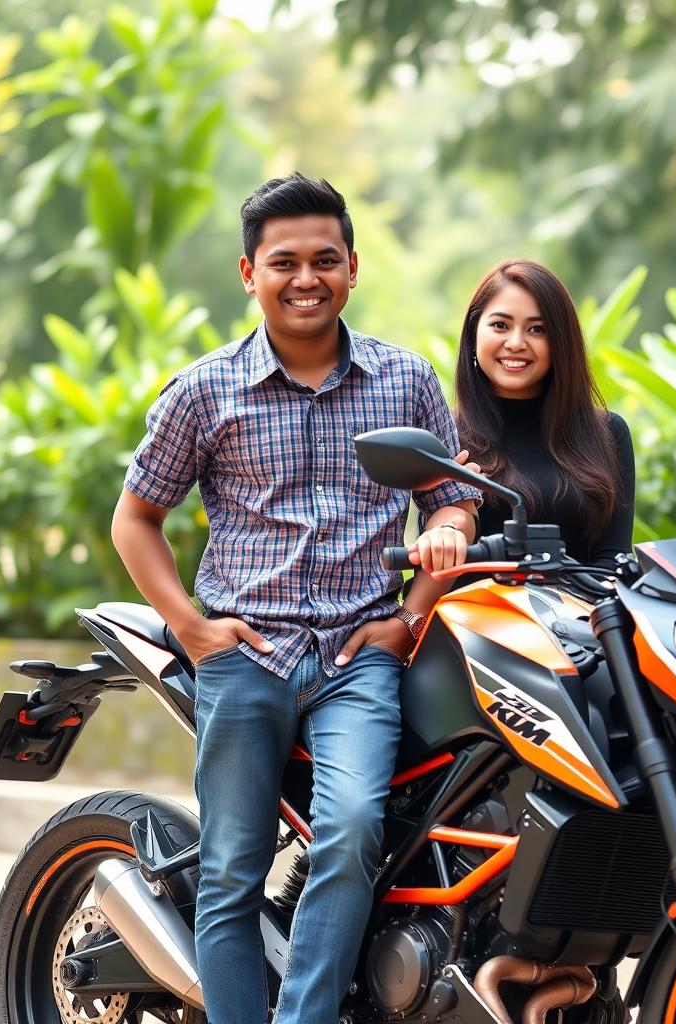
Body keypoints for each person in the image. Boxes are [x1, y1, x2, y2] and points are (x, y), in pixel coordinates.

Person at [111, 172, 480, 1024]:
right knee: (232, 866)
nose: (304, 278)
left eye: (324, 259)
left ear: (353, 267)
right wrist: (193, 629)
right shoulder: (204, 390)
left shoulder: (407, 380)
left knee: (353, 833)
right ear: (250, 274)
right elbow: (137, 520)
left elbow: (450, 500)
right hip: (244, 658)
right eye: (284, 262)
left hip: (360, 657)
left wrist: (414, 610)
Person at [452, 259, 635, 569]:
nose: (516, 343)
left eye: (537, 329)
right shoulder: (446, 432)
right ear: (473, 332)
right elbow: (437, 564)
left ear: (561, 343)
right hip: (469, 615)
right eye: (500, 325)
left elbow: (613, 560)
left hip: (578, 615)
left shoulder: (608, 433)